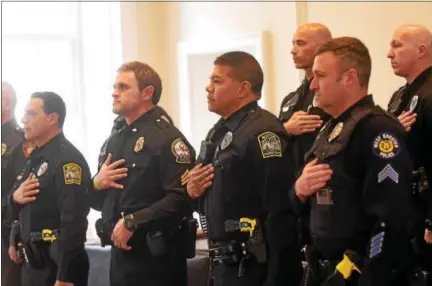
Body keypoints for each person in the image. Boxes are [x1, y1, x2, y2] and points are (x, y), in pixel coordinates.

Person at [291, 37, 417, 286]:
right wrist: (299, 190)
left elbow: (390, 217)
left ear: (348, 78)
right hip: (327, 272)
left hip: (361, 274)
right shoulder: (331, 128)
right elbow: (306, 205)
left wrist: (369, 276)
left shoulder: (377, 129)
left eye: (320, 75)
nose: (313, 85)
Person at [186, 51, 303, 286]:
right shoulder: (219, 132)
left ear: (243, 89)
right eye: (210, 80)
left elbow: (280, 212)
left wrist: (277, 279)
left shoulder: (263, 131)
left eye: (217, 81)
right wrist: (192, 191)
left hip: (254, 267)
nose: (208, 87)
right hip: (224, 265)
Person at [89, 61, 196, 286]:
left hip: (157, 259)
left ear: (147, 93)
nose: (114, 93)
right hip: (121, 258)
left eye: (123, 87)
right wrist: (97, 184)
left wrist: (133, 222)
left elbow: (183, 199)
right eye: (114, 87)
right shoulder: (115, 139)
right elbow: (98, 202)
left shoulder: (167, 139)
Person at [4, 92, 91, 286]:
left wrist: (65, 276)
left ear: (53, 118)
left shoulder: (67, 160)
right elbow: (12, 206)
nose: (23, 120)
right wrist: (14, 200)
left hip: (57, 267)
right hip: (33, 265)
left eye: (31, 114)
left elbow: (73, 222)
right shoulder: (34, 160)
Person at [387, 24, 432, 282]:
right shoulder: (400, 96)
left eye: (397, 45)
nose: (388, 53)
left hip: (424, 208)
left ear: (422, 50)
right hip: (404, 208)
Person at [279, 23, 332, 173]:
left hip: (322, 174)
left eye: (301, 43)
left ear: (323, 47)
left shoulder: (334, 93)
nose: (293, 51)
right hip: (292, 179)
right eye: (293, 44)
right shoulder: (290, 99)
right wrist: (286, 129)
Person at [1, 82, 33, 286]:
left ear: (7, 104)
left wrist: (15, 238)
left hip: (6, 238)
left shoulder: (19, 141)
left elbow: (23, 193)